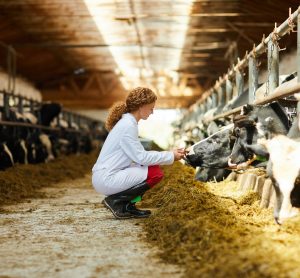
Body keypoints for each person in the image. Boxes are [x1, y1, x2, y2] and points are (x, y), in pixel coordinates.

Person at [92, 87, 185, 219]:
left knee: (153, 169)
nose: (152, 112)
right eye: (151, 108)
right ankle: (117, 201)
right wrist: (170, 155)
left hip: (108, 174)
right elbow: (141, 157)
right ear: (141, 106)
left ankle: (128, 206)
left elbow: (138, 156)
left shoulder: (128, 123)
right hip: (107, 178)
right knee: (155, 173)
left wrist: (169, 154)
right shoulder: (127, 126)